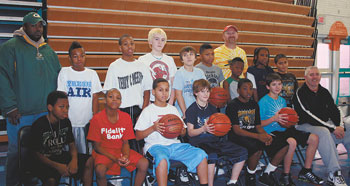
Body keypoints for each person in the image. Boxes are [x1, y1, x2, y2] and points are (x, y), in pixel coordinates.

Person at [0, 12, 61, 185]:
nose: (38, 28)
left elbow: (59, 78)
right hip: (21, 113)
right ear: (25, 26)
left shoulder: (48, 50)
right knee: (17, 151)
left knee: (41, 151)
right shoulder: (10, 47)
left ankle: (32, 180)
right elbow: (2, 77)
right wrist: (9, 107)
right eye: (33, 25)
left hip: (44, 113)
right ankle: (12, 182)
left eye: (40, 25)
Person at [135, 78, 209, 186]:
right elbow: (137, 136)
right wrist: (153, 128)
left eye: (166, 90)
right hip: (155, 146)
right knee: (162, 160)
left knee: (201, 154)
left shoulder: (173, 109)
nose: (164, 93)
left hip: (175, 145)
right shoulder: (148, 111)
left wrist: (180, 130)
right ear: (153, 92)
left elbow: (183, 133)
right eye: (160, 90)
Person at [259, 73, 323, 186]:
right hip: (271, 132)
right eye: (274, 85)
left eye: (279, 84)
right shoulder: (263, 102)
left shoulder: (282, 101)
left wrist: (292, 120)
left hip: (284, 130)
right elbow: (258, 124)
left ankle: (306, 171)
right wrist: (274, 118)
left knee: (314, 138)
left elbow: (287, 122)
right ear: (268, 87)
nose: (277, 87)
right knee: (292, 142)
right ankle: (286, 176)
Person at [292, 66, 350, 186]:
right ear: (305, 77)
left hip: (322, 125)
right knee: (324, 132)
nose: (314, 77)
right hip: (303, 126)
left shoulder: (324, 91)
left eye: (317, 74)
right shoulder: (300, 93)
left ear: (320, 76)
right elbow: (308, 115)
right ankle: (334, 173)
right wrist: (332, 128)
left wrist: (339, 126)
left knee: (348, 128)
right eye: (311, 75)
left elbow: (334, 109)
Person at [226, 78, 289, 186]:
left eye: (250, 89)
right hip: (237, 136)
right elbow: (236, 130)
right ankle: (250, 176)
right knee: (257, 148)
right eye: (245, 89)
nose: (248, 91)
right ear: (238, 91)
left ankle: (267, 173)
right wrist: (258, 136)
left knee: (284, 145)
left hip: (253, 134)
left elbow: (258, 126)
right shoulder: (233, 105)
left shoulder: (254, 104)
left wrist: (265, 135)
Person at [186, 79, 247, 186]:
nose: (206, 94)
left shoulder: (212, 108)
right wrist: (203, 129)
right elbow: (190, 133)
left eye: (207, 91)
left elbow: (219, 128)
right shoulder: (191, 110)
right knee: (212, 156)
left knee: (242, 151)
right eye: (202, 91)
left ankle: (232, 181)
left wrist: (224, 128)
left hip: (215, 141)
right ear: (195, 93)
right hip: (199, 143)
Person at [30, 91, 93, 186]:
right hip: (43, 161)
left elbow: (72, 144)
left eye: (67, 107)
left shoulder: (65, 122)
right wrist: (57, 166)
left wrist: (74, 161)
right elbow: (36, 154)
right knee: (51, 181)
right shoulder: (39, 125)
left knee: (89, 160)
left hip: (59, 156)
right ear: (50, 107)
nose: (65, 110)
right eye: (61, 107)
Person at [87, 88, 148, 186]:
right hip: (104, 152)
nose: (114, 100)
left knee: (144, 163)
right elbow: (97, 147)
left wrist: (126, 156)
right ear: (105, 100)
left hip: (120, 150)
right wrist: (115, 159)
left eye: (118, 98)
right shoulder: (96, 119)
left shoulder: (126, 117)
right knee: (100, 170)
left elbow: (125, 143)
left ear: (120, 102)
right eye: (111, 97)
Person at [57, 41, 102, 154]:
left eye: (82, 56)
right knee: (69, 154)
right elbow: (62, 97)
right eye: (75, 56)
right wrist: (63, 118)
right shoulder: (64, 72)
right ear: (70, 58)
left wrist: (95, 119)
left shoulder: (92, 74)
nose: (79, 59)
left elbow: (95, 98)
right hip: (69, 121)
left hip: (86, 122)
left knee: (86, 155)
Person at [103, 34, 152, 124]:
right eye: (125, 44)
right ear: (120, 48)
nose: (129, 46)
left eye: (132, 43)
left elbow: (147, 91)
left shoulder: (142, 66)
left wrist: (143, 113)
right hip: (120, 110)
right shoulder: (114, 66)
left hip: (138, 110)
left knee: (136, 138)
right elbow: (108, 92)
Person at [139, 28, 177, 104]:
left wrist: (171, 100)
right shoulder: (143, 60)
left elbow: (173, 83)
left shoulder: (169, 60)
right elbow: (140, 84)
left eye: (163, 40)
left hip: (166, 100)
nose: (160, 42)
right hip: (150, 100)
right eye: (157, 39)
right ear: (150, 41)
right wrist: (146, 102)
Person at [173, 46, 206, 118]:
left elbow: (205, 91)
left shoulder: (200, 72)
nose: (189, 57)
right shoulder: (179, 73)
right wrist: (185, 112)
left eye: (191, 54)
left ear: (195, 58)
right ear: (182, 59)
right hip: (184, 110)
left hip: (198, 110)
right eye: (185, 55)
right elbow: (178, 94)